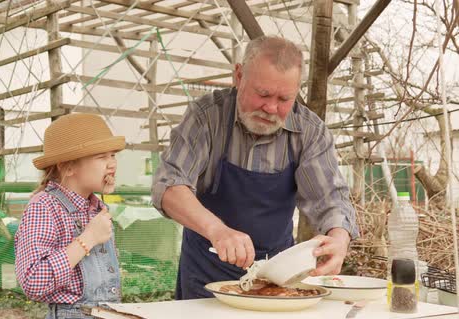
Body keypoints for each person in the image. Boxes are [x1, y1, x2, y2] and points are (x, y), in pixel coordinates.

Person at [151, 36, 360, 300]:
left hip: (278, 276)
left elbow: (331, 199)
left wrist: (339, 239)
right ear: (238, 76)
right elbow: (168, 186)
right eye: (262, 94)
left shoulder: (310, 131)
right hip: (205, 275)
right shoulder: (206, 117)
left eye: (284, 99)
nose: (271, 108)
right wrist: (218, 231)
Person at [15, 114, 125, 319]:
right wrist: (88, 238)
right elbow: (33, 281)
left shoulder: (96, 208)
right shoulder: (44, 206)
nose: (112, 163)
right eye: (102, 157)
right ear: (68, 167)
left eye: (113, 155)